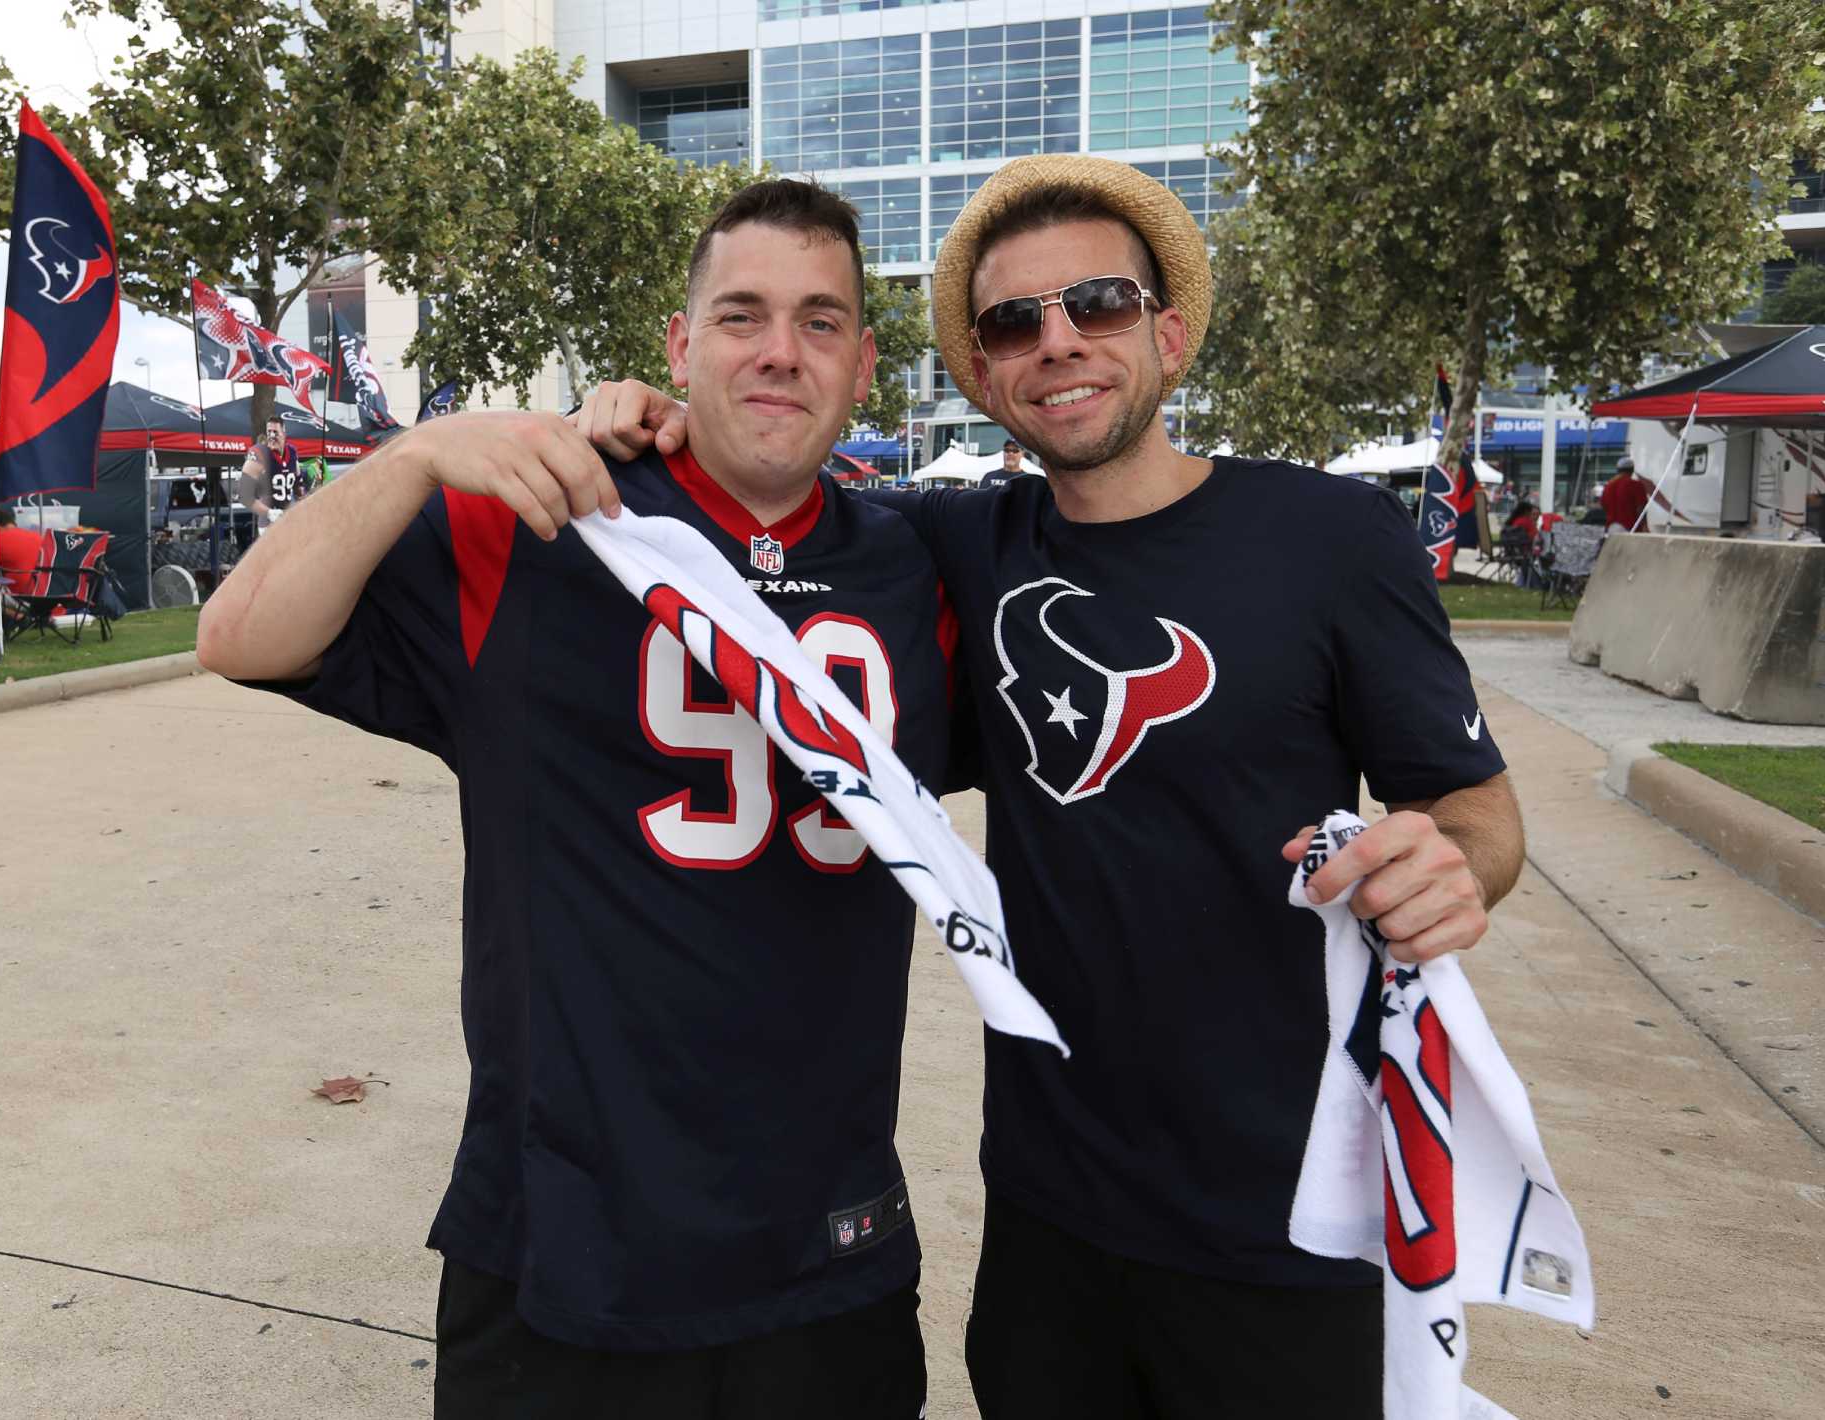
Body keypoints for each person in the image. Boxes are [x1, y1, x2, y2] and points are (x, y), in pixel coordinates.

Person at [572, 154, 1523, 1420]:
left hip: (1290, 1217)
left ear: (1168, 335)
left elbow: (1475, 812)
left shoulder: (1330, 539)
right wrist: (645, 412)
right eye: (1013, 322)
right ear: (984, 370)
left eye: (1100, 306)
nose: (1057, 342)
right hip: (1048, 1221)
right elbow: (772, 489)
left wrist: (1447, 866)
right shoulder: (953, 545)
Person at [196, 180, 954, 1420]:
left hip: (826, 1247)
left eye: (820, 322)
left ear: (864, 363)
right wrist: (419, 453)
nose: (778, 350)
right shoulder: (539, 522)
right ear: (677, 342)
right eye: (741, 315)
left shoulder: (923, 564)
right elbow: (240, 634)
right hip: (562, 1232)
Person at [234, 414, 307, 544]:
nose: (272, 436)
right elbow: (244, 495)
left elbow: (298, 485)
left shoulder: (292, 452)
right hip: (268, 524)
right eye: (269, 432)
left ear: (284, 432)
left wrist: (307, 494)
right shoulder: (260, 453)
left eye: (275, 432)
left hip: (288, 520)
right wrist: (269, 513)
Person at [1600, 453, 1654, 532]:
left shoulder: (1608, 486)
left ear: (1618, 470)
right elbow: (1641, 507)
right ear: (1632, 470)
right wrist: (1644, 525)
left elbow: (1604, 506)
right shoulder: (1636, 485)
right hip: (1631, 527)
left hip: (1611, 528)